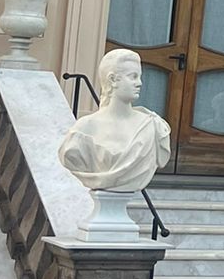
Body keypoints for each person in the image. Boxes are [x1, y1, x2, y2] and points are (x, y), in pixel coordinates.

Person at [58, 47, 172, 193]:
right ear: (112, 80)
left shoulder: (153, 126)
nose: (139, 83)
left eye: (139, 77)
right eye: (133, 76)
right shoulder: (84, 128)